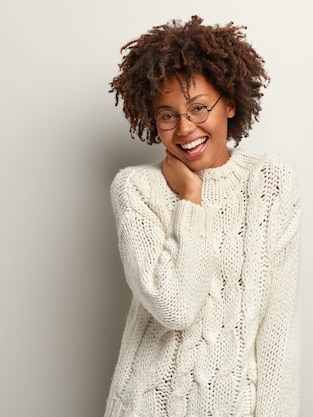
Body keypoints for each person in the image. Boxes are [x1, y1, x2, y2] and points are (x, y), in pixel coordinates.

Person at [105, 15, 301, 417]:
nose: (185, 128)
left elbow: (279, 329)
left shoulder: (272, 182)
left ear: (229, 103)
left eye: (198, 108)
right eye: (167, 115)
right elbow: (175, 308)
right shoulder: (136, 189)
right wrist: (191, 198)